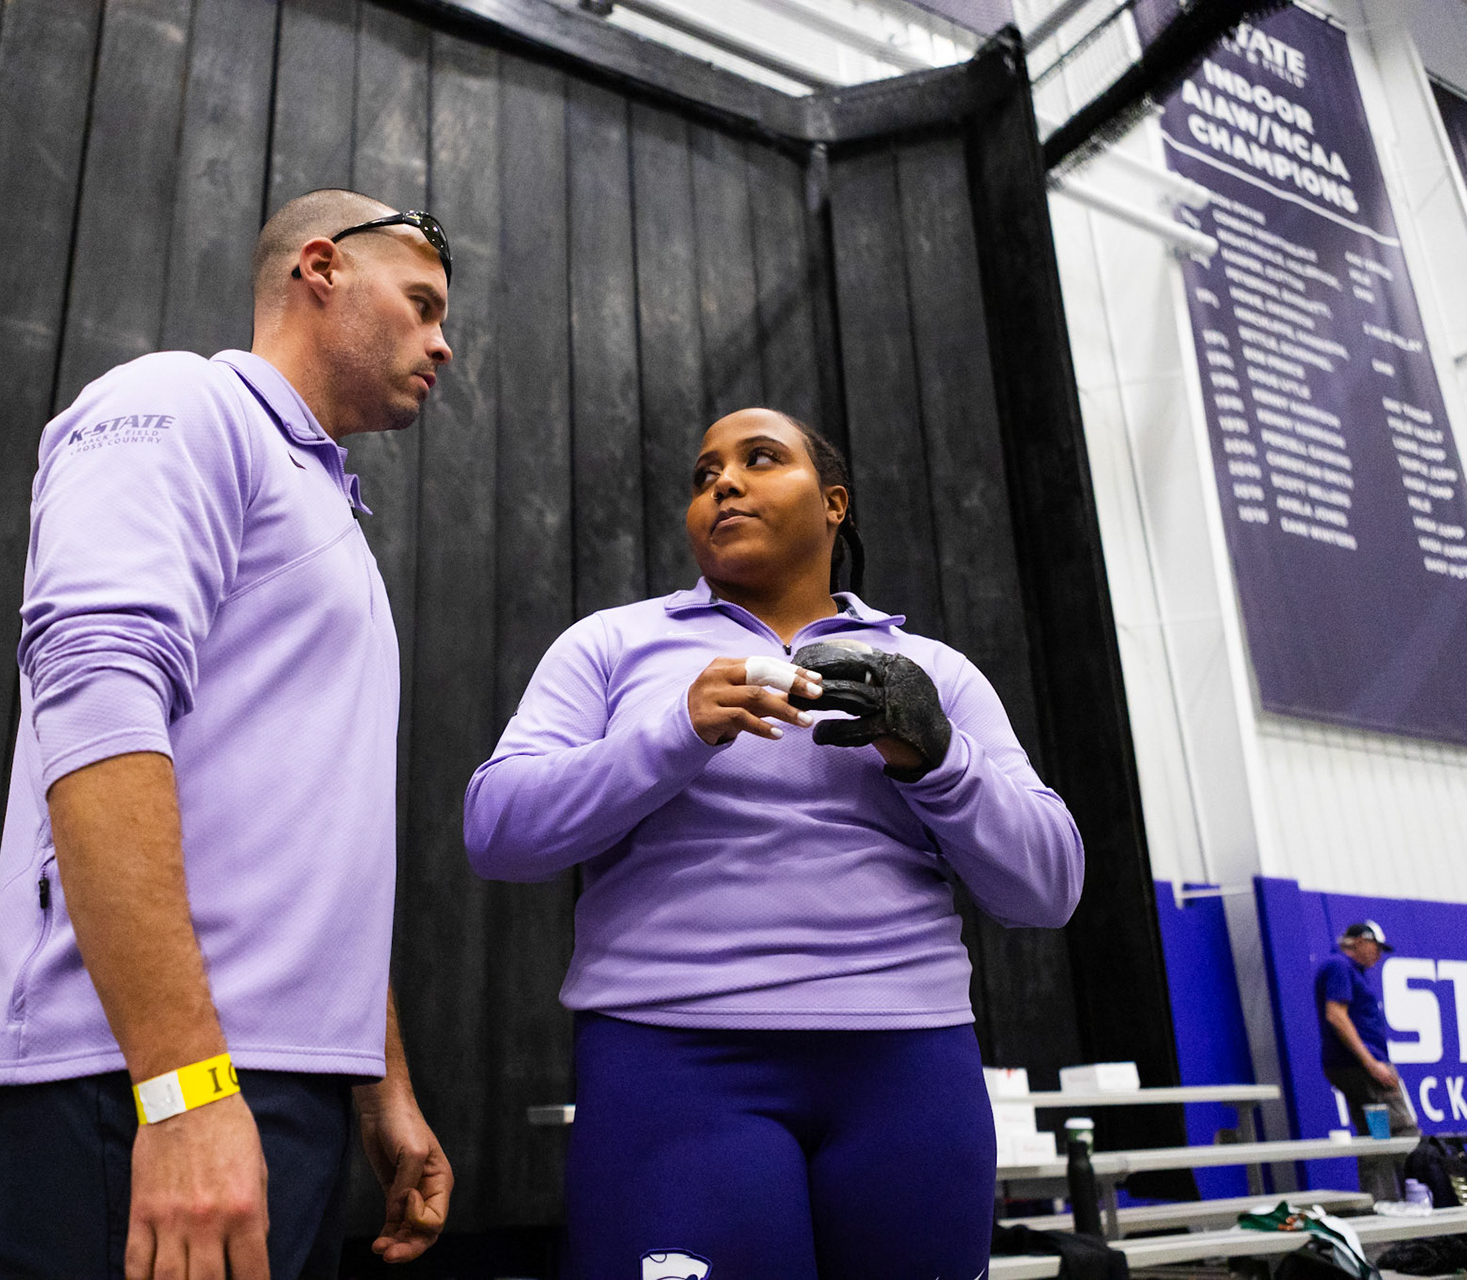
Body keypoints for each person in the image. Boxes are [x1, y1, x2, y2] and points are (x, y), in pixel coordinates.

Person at [464, 407, 1085, 1280]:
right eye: (704, 474)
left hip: (908, 1063)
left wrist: (938, 756)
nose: (724, 482)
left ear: (835, 504)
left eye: (760, 459)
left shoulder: (935, 672)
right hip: (673, 1060)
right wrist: (676, 732)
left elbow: (1049, 888)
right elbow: (496, 832)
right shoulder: (610, 644)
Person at [0, 189, 455, 1279]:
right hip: (142, 1083)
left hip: (275, 1085)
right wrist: (180, 1087)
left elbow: (314, 834)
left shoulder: (325, 508)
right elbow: (94, 698)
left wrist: (379, 1083)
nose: (443, 343)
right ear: (322, 268)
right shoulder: (181, 402)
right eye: (421, 304)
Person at [1316, 920, 1419, 1201]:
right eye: (1377, 947)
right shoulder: (1340, 966)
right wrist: (1371, 1063)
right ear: (1361, 941)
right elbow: (1336, 1015)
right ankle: (1417, 1198)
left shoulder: (1347, 970)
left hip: (1353, 1067)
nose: (1379, 954)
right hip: (1362, 1068)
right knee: (1403, 1131)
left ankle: (1382, 1203)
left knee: (1377, 1137)